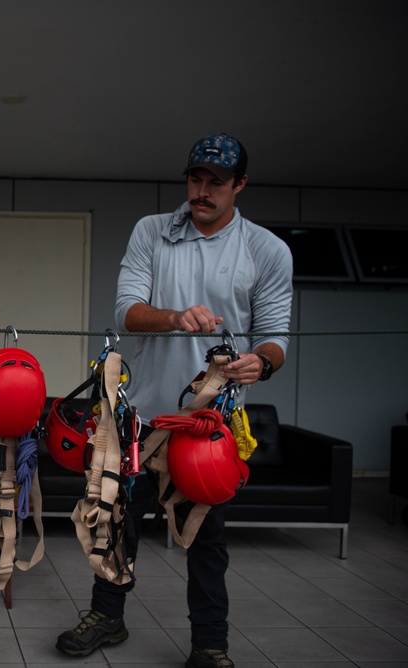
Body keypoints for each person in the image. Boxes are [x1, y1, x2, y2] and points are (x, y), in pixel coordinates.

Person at [55, 133, 293, 668]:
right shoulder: (152, 233)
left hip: (209, 428)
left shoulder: (267, 251)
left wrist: (264, 362)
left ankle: (210, 646)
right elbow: (125, 311)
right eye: (195, 179)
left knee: (207, 542)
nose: (202, 191)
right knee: (116, 524)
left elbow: (276, 337)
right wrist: (174, 317)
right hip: (140, 418)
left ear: (240, 186)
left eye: (215, 183)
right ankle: (107, 619)